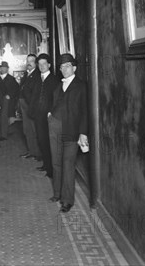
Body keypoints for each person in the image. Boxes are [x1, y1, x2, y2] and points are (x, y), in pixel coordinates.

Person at [48, 53, 88, 213]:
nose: (64, 69)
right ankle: (57, 193)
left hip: (72, 130)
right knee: (56, 161)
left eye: (67, 66)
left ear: (74, 68)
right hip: (55, 126)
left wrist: (83, 133)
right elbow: (54, 103)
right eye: (62, 66)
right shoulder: (59, 85)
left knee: (68, 164)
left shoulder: (81, 86)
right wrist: (50, 115)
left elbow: (85, 111)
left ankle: (67, 200)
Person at [28, 53, 57, 178]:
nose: (42, 66)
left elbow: (56, 99)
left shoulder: (54, 80)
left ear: (49, 65)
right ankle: (46, 164)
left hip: (50, 117)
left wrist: (51, 112)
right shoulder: (37, 79)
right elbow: (33, 95)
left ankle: (51, 169)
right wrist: (32, 110)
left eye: (44, 64)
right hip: (39, 115)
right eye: (39, 64)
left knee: (50, 142)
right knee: (42, 140)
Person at [19, 54, 41, 160]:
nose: (29, 63)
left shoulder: (37, 75)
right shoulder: (28, 74)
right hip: (24, 105)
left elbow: (35, 93)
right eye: (28, 61)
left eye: (31, 61)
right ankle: (31, 151)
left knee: (33, 129)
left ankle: (36, 152)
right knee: (27, 129)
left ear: (36, 63)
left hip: (30, 105)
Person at [0, 61, 20, 145]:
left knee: (4, 117)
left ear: (7, 69)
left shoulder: (11, 79)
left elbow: (16, 90)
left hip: (6, 101)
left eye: (5, 68)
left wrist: (9, 95)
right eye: (1, 67)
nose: (3, 69)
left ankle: (4, 135)